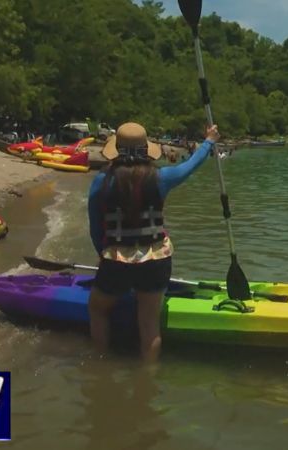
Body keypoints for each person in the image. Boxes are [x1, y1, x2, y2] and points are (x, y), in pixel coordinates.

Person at [87, 121, 220, 363]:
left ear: (116, 150)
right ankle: (147, 385)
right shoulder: (161, 177)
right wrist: (209, 141)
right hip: (156, 260)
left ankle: (101, 366)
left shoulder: (102, 181)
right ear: (145, 150)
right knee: (149, 326)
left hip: (116, 261)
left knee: (98, 309)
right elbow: (189, 166)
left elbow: (96, 228)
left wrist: (102, 255)